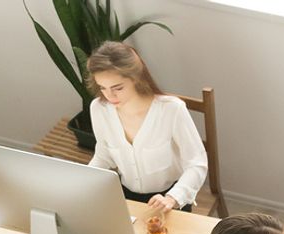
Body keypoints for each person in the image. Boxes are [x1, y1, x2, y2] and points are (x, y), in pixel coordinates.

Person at [86, 41, 208, 214]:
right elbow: (104, 156)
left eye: (117, 88)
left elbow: (197, 163)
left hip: (168, 200)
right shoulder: (99, 108)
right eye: (102, 88)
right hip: (125, 199)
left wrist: (172, 198)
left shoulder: (171, 109)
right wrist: (83, 181)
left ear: (135, 78)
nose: (109, 95)